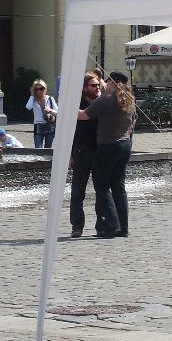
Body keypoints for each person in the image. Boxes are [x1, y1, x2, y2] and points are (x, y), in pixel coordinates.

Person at [77, 71, 136, 238]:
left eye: (107, 81)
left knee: (102, 186)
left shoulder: (105, 99)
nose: (104, 84)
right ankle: (123, 228)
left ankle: (112, 224)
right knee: (119, 186)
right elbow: (130, 126)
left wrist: (64, 108)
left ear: (112, 83)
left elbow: (83, 115)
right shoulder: (129, 101)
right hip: (124, 145)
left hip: (107, 146)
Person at [69, 72, 101, 237]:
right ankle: (77, 226)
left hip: (99, 152)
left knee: (101, 191)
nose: (97, 88)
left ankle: (101, 225)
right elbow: (68, 131)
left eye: (98, 85)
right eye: (93, 85)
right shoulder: (77, 104)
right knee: (77, 192)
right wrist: (69, 154)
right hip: (81, 151)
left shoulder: (102, 103)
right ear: (84, 88)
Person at [25, 79, 58, 148]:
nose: (39, 91)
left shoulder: (50, 99)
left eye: (41, 88)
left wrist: (50, 110)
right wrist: (32, 95)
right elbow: (28, 107)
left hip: (49, 126)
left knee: (48, 149)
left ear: (45, 89)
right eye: (37, 89)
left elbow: (58, 113)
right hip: (38, 125)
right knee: (38, 149)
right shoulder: (33, 100)